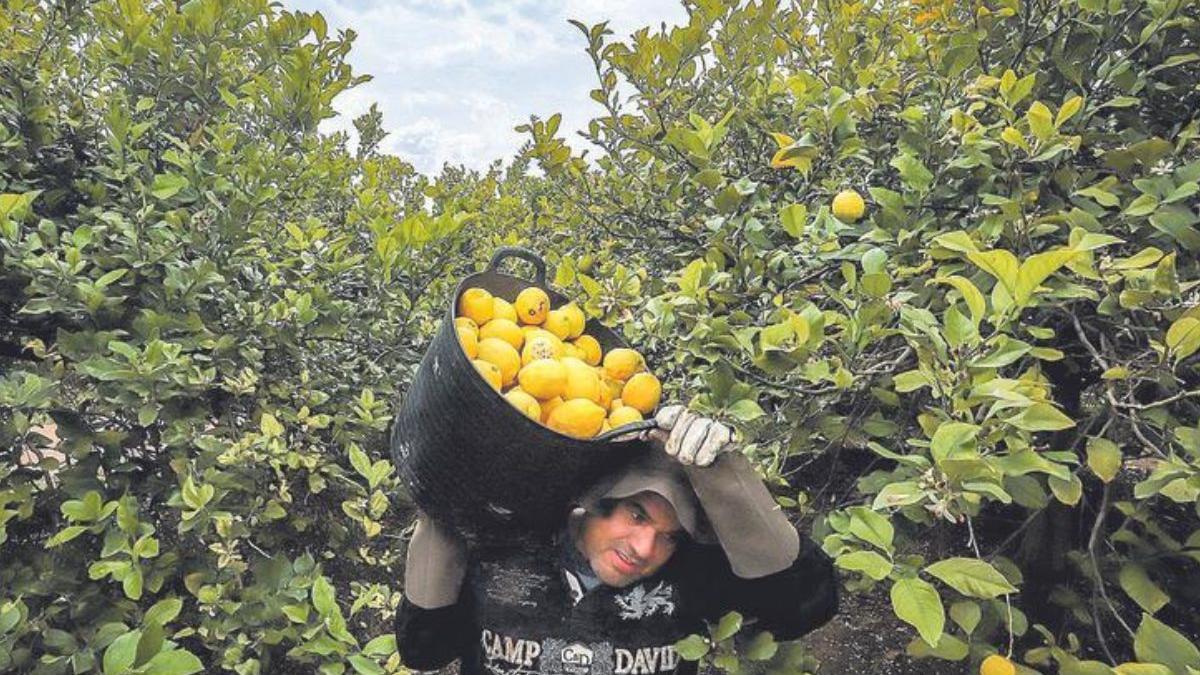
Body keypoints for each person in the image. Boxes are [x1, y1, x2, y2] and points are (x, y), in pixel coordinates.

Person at [394, 404, 838, 675]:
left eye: (669, 537)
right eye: (636, 514)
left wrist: (726, 481)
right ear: (595, 501)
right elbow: (423, 648)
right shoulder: (504, 545)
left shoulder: (691, 576)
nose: (644, 549)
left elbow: (806, 604)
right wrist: (442, 505)